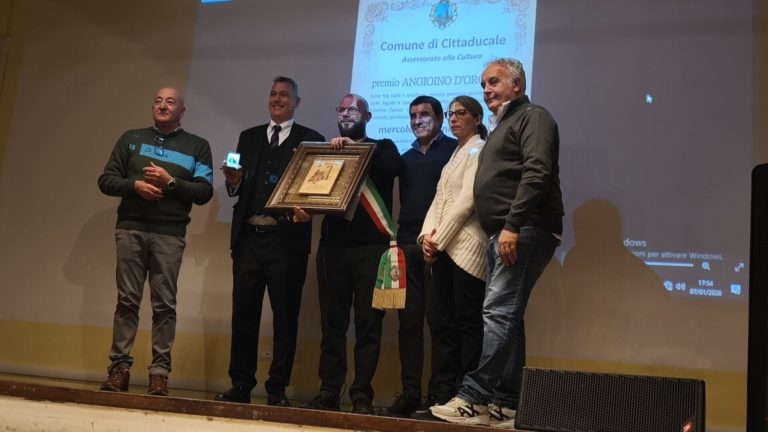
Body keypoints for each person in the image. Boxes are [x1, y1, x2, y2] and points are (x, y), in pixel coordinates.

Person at [430, 58, 563, 428]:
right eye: (483, 84)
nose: (486, 90)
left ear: (516, 85)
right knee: (509, 318)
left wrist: (512, 225)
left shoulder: (534, 117)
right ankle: (507, 403)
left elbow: (537, 172)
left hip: (522, 230)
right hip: (503, 232)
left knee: (497, 313)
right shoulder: (502, 124)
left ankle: (474, 398)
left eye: (494, 82)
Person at [97, 87, 213, 396]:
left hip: (170, 234)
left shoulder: (197, 146)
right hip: (131, 229)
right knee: (127, 301)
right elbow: (106, 180)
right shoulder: (130, 139)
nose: (163, 105)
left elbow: (204, 192)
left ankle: (159, 373)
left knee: (164, 305)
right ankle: (119, 369)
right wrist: (135, 186)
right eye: (158, 101)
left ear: (182, 112)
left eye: (170, 102)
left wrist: (169, 182)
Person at [215, 76, 324, 406]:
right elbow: (236, 187)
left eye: (284, 95)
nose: (277, 99)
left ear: (296, 102)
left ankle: (277, 389)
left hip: (287, 242)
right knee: (243, 314)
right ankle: (241, 384)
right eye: (273, 94)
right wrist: (233, 181)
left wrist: (309, 209)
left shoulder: (312, 140)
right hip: (248, 239)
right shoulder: (247, 137)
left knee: (285, 318)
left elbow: (318, 190)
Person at [304, 94, 402, 415]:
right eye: (341, 109)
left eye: (353, 110)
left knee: (368, 325)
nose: (346, 114)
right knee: (332, 324)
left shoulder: (383, 147)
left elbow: (392, 169)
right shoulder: (329, 152)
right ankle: (329, 390)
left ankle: (362, 395)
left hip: (371, 250)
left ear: (367, 117)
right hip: (333, 249)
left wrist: (355, 150)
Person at [380, 96, 457, 418]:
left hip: (441, 248)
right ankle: (411, 394)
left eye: (424, 114)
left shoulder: (456, 151)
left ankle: (440, 395)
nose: (417, 120)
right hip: (408, 246)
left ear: (440, 118)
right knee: (408, 324)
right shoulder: (405, 157)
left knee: (440, 324)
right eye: (412, 115)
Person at [418, 95, 488, 419]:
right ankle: (444, 395)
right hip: (444, 250)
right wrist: (426, 238)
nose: (454, 118)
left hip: (465, 250)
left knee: (467, 324)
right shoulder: (454, 155)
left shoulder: (480, 149)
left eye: (461, 113)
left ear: (477, 118)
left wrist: (438, 240)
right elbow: (438, 201)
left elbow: (467, 201)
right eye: (450, 114)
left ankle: (467, 395)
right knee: (442, 322)